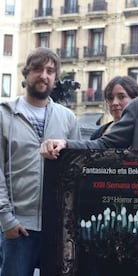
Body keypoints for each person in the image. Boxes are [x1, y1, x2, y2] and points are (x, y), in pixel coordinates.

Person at [0, 47, 81, 276]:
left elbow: (76, 172)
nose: (43, 75)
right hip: (18, 226)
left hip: (57, 229)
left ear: (55, 79)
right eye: (37, 69)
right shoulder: (4, 115)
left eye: (50, 70)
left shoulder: (67, 118)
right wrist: (6, 219)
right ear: (26, 74)